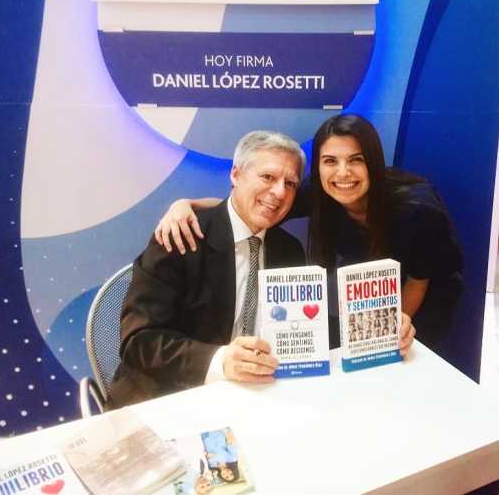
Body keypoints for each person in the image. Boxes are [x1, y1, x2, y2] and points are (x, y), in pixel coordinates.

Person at [154, 114, 461, 353]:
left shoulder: (418, 209)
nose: (342, 173)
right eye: (330, 161)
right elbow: (254, 205)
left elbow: (418, 281)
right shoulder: (318, 192)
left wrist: (389, 331)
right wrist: (187, 204)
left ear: (374, 163)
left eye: (356, 160)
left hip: (421, 300)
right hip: (371, 298)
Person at [106, 131, 308, 408]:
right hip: (168, 398)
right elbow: (139, 341)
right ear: (236, 175)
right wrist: (220, 361)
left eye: (291, 183)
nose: (280, 192)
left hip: (256, 396)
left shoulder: (289, 250)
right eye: (267, 177)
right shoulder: (181, 236)